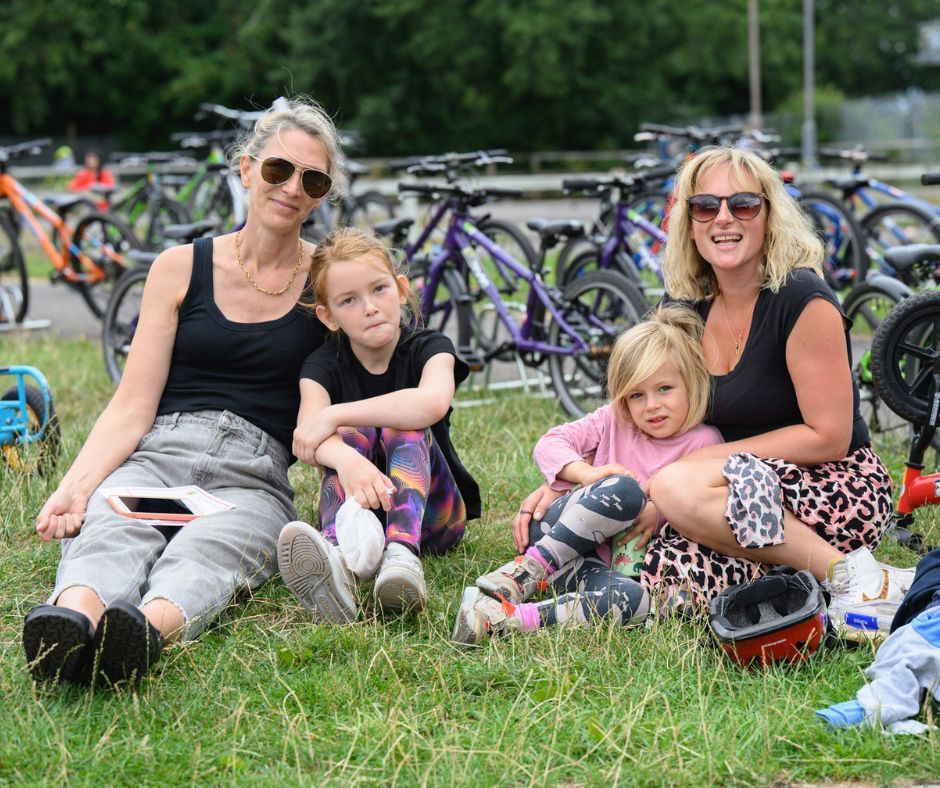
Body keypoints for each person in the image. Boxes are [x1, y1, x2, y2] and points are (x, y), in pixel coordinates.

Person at [515, 146, 912, 640]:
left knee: (671, 493)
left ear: (769, 214)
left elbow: (829, 437)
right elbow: (643, 396)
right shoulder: (687, 303)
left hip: (827, 483)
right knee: (652, 574)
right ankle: (782, 577)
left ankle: (856, 578)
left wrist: (687, 471)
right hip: (719, 487)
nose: (723, 218)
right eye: (705, 206)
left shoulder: (802, 299)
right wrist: (569, 482)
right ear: (689, 223)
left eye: (743, 204)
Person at [22, 96, 342, 686]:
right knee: (111, 529)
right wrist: (76, 486)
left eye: (312, 179)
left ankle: (142, 634)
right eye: (278, 169)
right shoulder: (178, 268)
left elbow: (377, 355)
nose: (292, 188)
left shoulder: (326, 281)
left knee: (211, 552)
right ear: (246, 169)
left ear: (322, 194)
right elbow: (131, 405)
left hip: (253, 476)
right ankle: (70, 622)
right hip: (159, 453)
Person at [452, 305, 723, 644]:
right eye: (637, 395)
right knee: (626, 491)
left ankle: (501, 618)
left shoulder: (706, 442)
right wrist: (586, 474)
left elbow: (702, 507)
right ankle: (524, 573)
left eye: (665, 388)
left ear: (691, 383)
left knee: (636, 601)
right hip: (555, 535)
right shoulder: (614, 420)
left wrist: (661, 512)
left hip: (594, 566)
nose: (651, 405)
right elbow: (550, 443)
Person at [276, 227, 480, 621]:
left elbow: (431, 403)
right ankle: (337, 555)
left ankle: (402, 557)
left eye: (379, 289)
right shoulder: (322, 366)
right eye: (349, 300)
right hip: (359, 516)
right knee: (342, 441)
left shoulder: (431, 347)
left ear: (401, 289)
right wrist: (348, 459)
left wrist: (335, 415)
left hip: (435, 520)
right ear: (328, 316)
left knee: (399, 423)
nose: (369, 307)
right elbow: (307, 437)